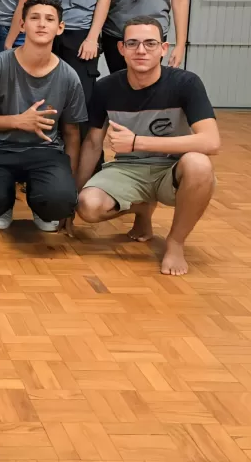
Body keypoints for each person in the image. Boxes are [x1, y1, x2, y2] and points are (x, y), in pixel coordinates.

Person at [75, 17, 219, 275]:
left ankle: (175, 243)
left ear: (164, 49)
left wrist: (137, 142)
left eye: (150, 43)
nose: (141, 50)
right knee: (87, 205)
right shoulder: (105, 88)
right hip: (129, 169)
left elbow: (211, 141)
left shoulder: (186, 83)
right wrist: (71, 197)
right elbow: (93, 143)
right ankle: (142, 210)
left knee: (199, 164)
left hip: (172, 168)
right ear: (121, 49)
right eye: (133, 43)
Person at [0, 0, 87, 232]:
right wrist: (18, 121)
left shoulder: (69, 76)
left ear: (60, 28)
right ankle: (3, 201)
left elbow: (72, 133)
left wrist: (68, 184)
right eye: (34, 18)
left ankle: (42, 203)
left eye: (49, 19)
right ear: (22, 24)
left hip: (45, 152)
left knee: (60, 201)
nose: (41, 24)